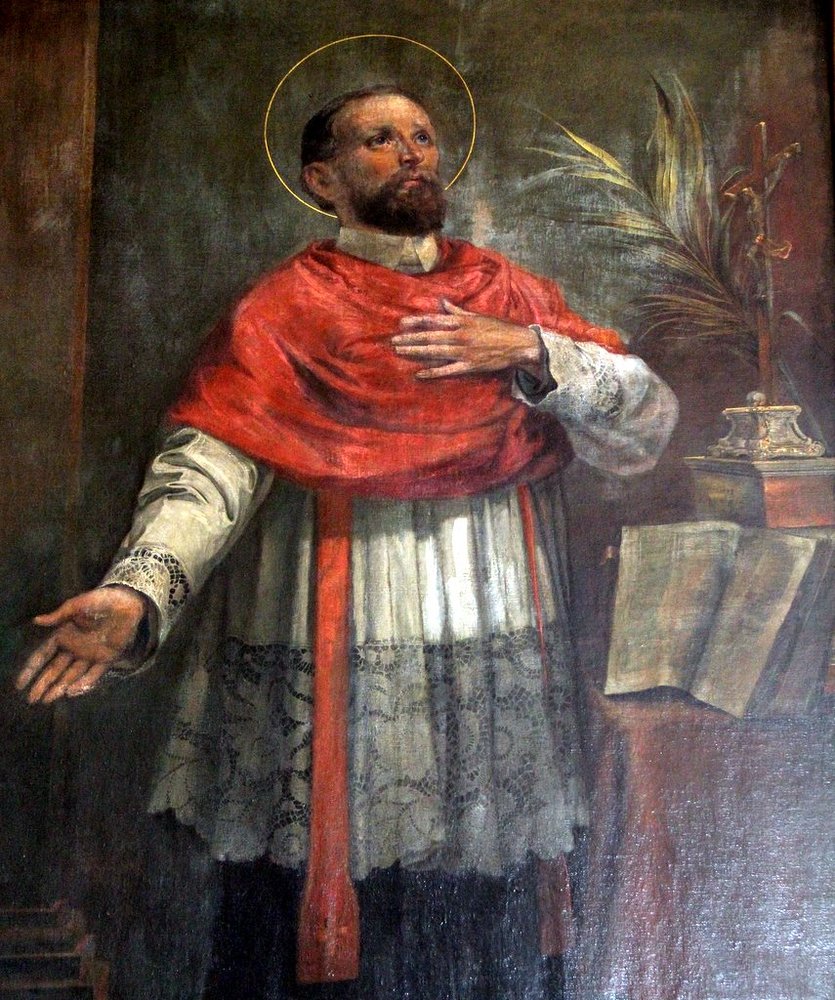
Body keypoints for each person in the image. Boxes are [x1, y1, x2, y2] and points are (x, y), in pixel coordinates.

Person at [17, 85, 677, 998]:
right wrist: (136, 591)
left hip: (486, 645)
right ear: (321, 180)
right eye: (378, 139)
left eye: (422, 137)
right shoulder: (282, 310)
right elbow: (207, 467)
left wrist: (530, 349)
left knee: (476, 924)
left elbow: (645, 422)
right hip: (329, 641)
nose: (410, 153)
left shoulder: (508, 295)